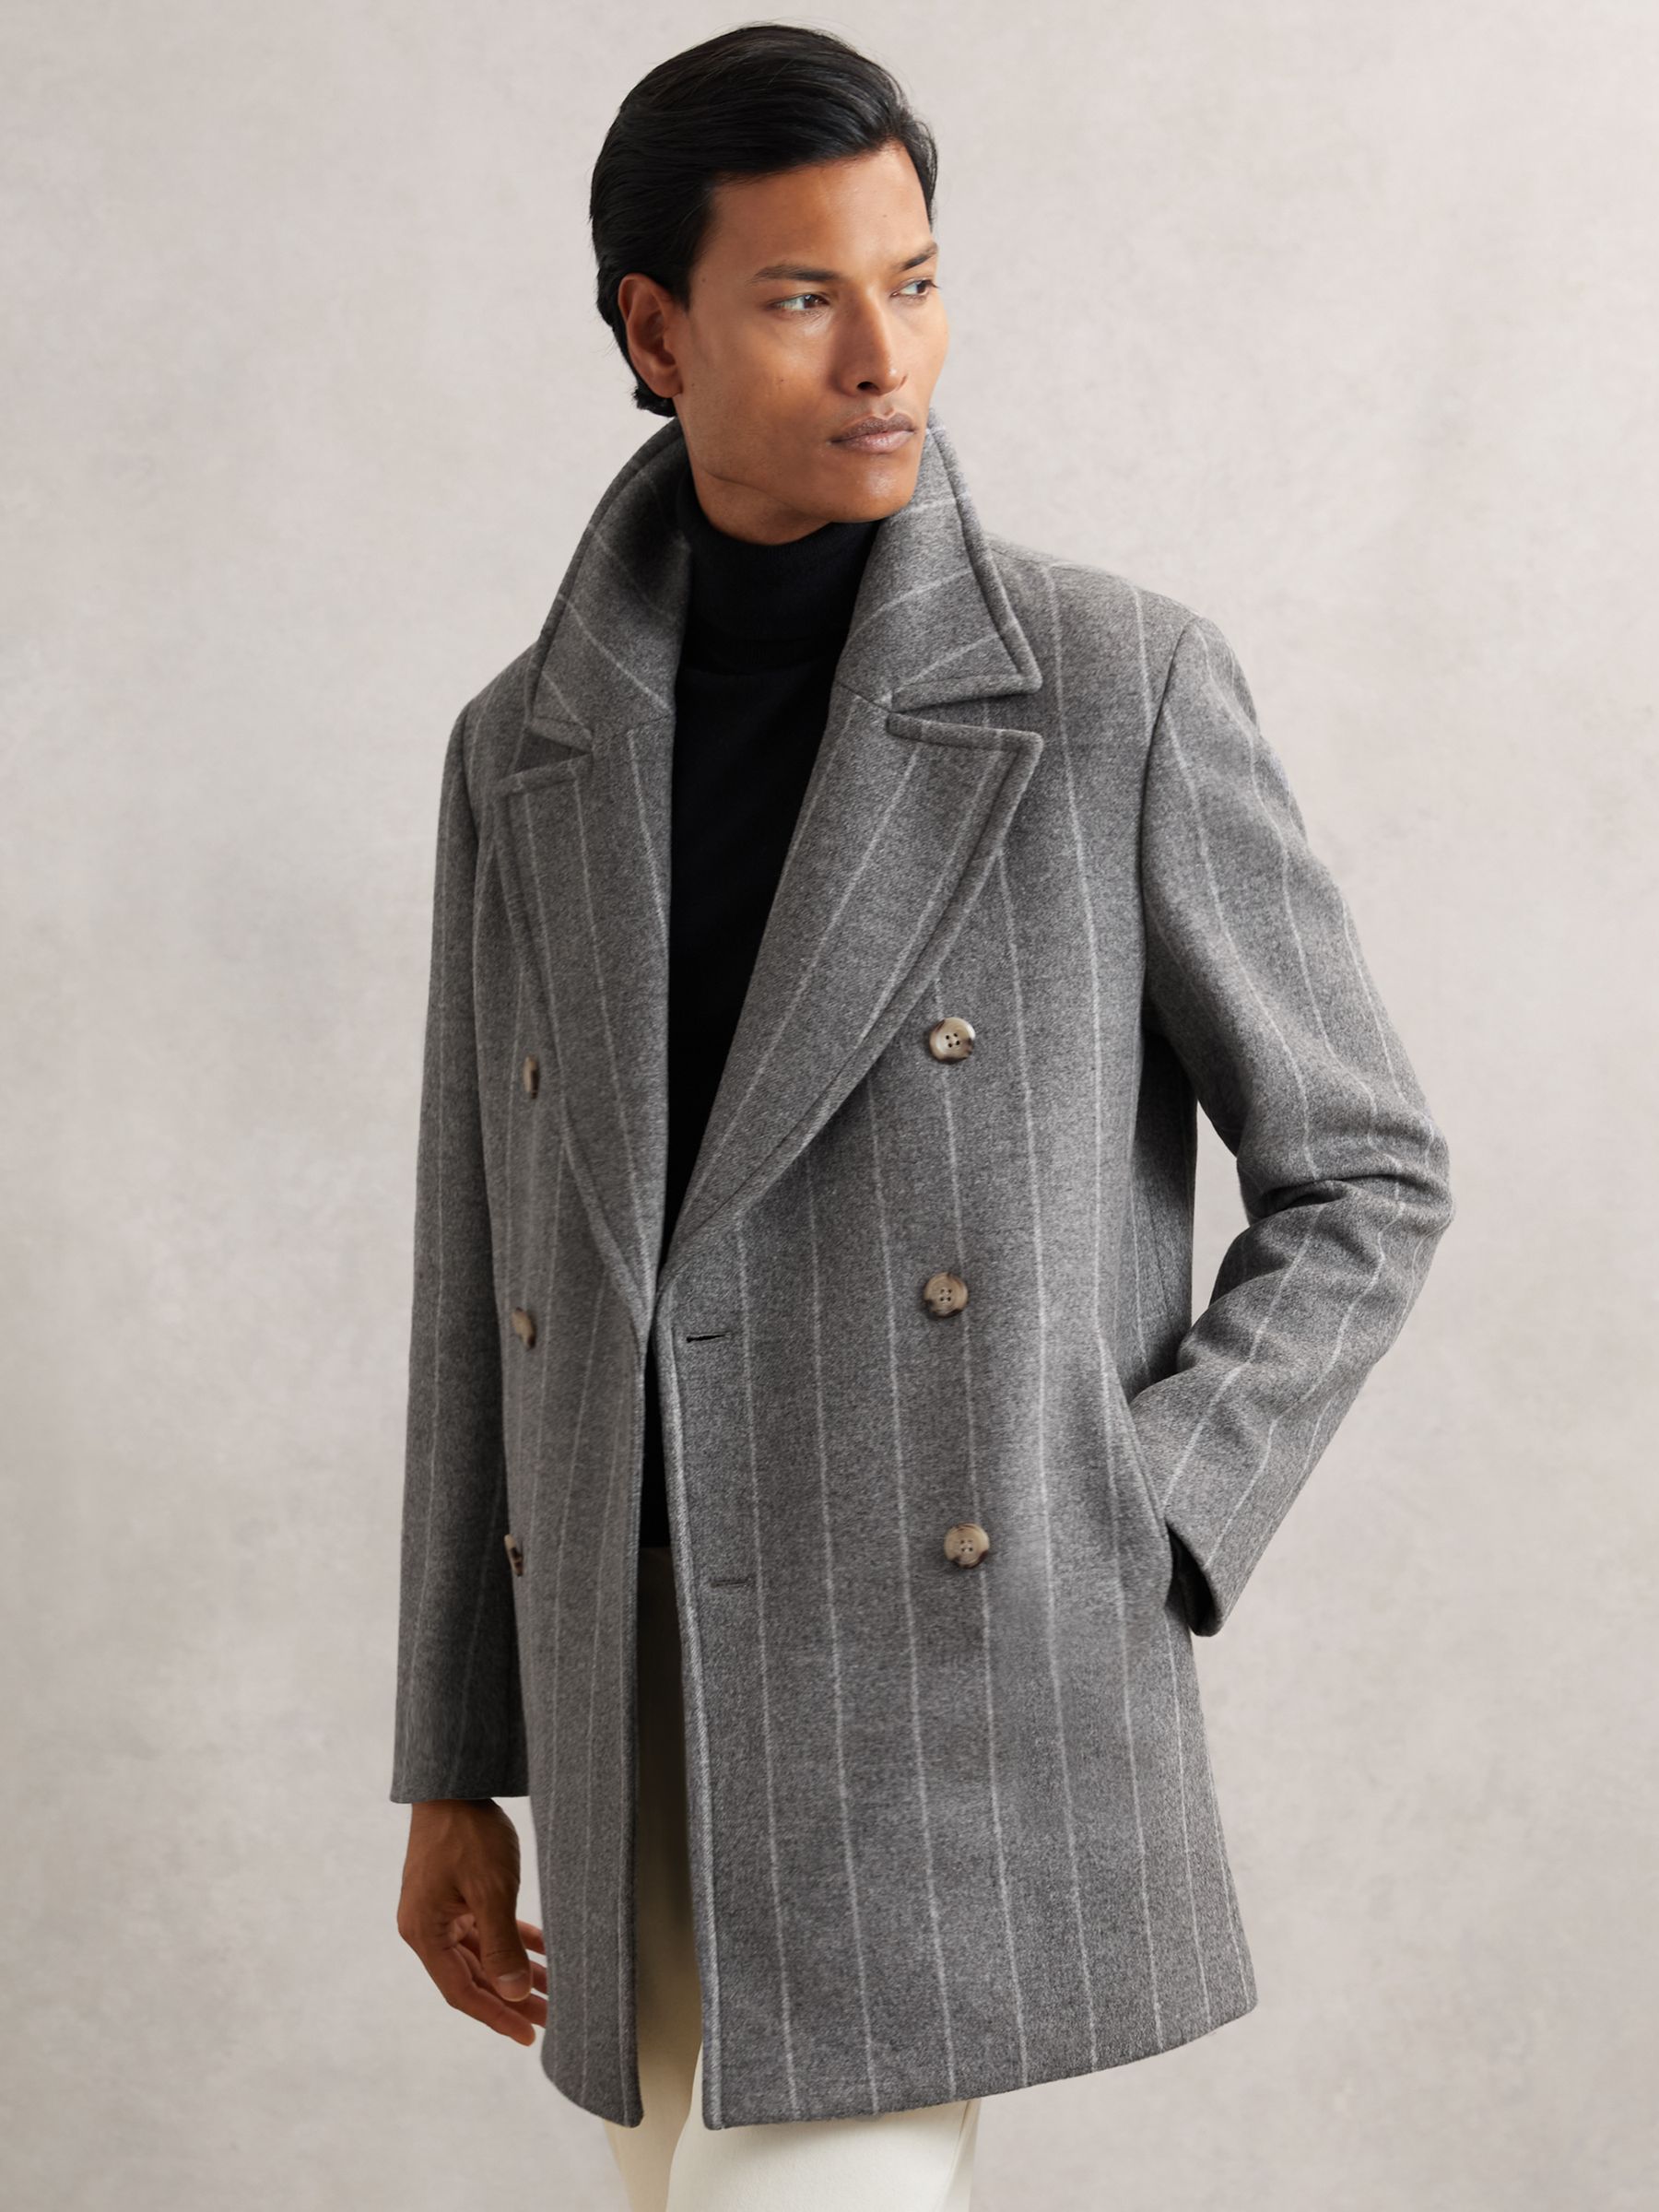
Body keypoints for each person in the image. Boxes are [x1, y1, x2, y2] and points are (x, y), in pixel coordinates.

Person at [391, 25, 1454, 2212]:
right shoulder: (521, 752)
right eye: (805, 297)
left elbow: (1365, 1170)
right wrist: (454, 1757)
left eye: (918, 280)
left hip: (929, 1678)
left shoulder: (1109, 686)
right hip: (627, 1685)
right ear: (656, 333)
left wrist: (1136, 1510)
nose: (889, 357)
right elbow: (483, 1274)